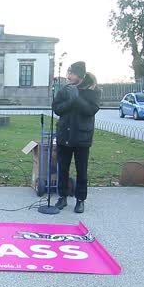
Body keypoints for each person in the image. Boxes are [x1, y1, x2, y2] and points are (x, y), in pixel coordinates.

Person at [52, 61, 101, 214]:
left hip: (81, 137)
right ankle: (62, 197)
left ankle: (80, 200)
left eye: (71, 73)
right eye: (68, 72)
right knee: (63, 169)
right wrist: (70, 100)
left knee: (82, 170)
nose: (68, 76)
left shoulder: (93, 91)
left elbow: (91, 110)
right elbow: (57, 109)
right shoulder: (65, 90)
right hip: (64, 135)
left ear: (80, 75)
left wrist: (77, 99)